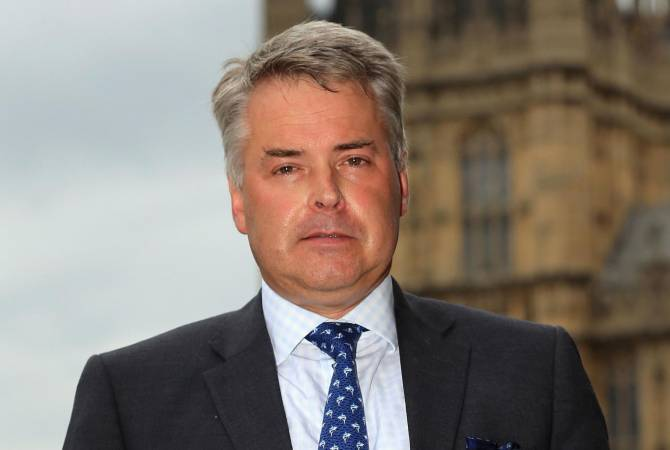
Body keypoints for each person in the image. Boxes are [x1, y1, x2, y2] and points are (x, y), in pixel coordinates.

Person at [63, 21, 609, 450]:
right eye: (287, 168)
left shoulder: (535, 373)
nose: (326, 194)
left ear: (401, 185)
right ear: (239, 201)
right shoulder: (131, 400)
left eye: (353, 160)